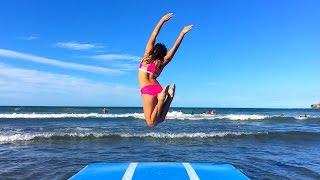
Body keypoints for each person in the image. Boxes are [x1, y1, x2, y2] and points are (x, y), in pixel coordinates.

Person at [138, 13, 192, 127]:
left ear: (153, 50)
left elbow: (154, 35)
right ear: (162, 54)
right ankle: (168, 97)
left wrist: (162, 20)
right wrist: (182, 33)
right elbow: (174, 49)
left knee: (151, 123)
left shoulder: (146, 57)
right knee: (160, 119)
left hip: (147, 88)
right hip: (157, 88)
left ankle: (165, 99)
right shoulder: (161, 63)